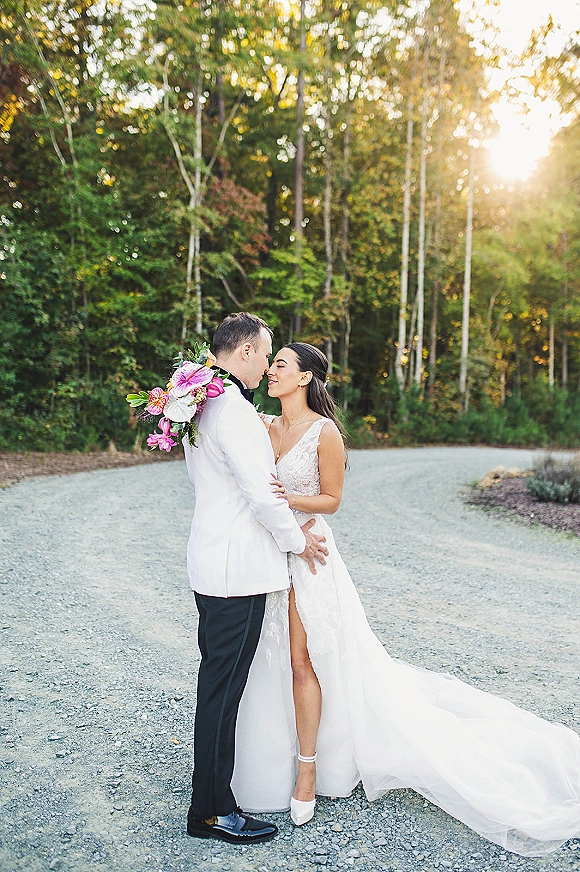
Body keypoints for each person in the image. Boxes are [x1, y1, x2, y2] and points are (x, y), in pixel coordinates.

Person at [231, 341, 580, 857]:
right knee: (267, 660)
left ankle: (309, 771)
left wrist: (285, 499)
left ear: (304, 378)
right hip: (263, 557)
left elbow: (332, 500)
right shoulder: (260, 425)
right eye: (271, 362)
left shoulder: (324, 434)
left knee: (303, 663)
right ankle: (268, 758)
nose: (271, 370)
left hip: (310, 556)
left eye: (280, 364)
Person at [183, 316, 328, 846]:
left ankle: (212, 798)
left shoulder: (201, 402)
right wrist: (299, 541)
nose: (268, 365)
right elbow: (263, 496)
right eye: (265, 354)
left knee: (217, 688)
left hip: (212, 561)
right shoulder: (235, 412)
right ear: (244, 351)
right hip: (235, 571)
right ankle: (212, 811)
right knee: (222, 693)